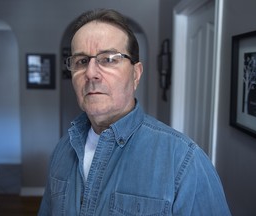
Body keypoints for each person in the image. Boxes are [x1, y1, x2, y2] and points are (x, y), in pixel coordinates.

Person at [38, 9, 231, 215]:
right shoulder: (63, 149)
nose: (91, 73)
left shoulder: (184, 162)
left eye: (109, 59)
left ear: (136, 74)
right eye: (82, 61)